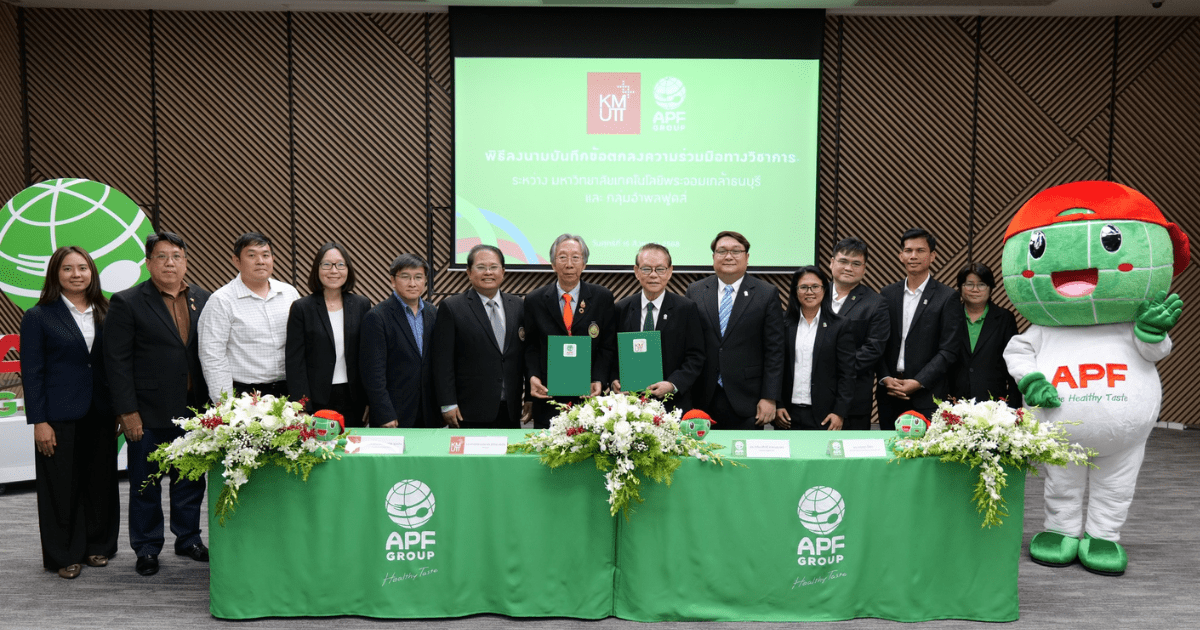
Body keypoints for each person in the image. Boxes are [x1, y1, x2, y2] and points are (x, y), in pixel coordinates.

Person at [105, 232, 211, 577]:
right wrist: (127, 411)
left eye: (177, 256)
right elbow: (116, 362)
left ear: (186, 261)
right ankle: (147, 547)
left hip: (194, 411)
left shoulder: (203, 298)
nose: (170, 263)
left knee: (190, 481)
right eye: (162, 256)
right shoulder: (127, 302)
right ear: (148, 263)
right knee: (145, 483)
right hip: (147, 412)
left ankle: (188, 538)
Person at [21, 246, 118, 579]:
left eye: (83, 268)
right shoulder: (39, 316)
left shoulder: (108, 310)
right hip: (58, 414)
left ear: (92, 272)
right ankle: (65, 554)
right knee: (60, 485)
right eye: (67, 269)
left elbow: (114, 364)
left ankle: (98, 545)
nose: (76, 274)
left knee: (101, 481)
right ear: (55, 274)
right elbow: (31, 372)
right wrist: (39, 421)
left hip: (102, 412)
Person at [685, 230, 786, 430]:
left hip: (748, 400)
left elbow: (775, 351)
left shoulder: (766, 294)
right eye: (722, 251)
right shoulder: (695, 291)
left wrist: (770, 397)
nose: (729, 256)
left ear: (747, 257)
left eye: (736, 251)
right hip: (703, 397)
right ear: (713, 257)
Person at [524, 234, 616, 429]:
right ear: (552, 263)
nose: (569, 264)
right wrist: (532, 377)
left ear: (584, 264)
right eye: (562, 257)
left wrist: (598, 378)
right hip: (548, 396)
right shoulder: (535, 300)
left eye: (576, 257)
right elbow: (530, 346)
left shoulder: (602, 298)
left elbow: (607, 346)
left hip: (589, 397)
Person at [431, 244, 525, 428]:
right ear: (469, 272)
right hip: (469, 410)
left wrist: (528, 397)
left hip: (510, 409)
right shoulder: (452, 307)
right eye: (481, 267)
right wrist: (447, 403)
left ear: (503, 271)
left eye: (493, 267)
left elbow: (525, 355)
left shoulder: (518, 305)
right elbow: (442, 362)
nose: (488, 272)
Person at [198, 232, 299, 402]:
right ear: (236, 261)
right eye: (252, 255)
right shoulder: (221, 300)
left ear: (273, 259)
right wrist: (225, 404)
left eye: (265, 255)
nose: (260, 261)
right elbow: (212, 356)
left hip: (288, 392)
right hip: (245, 396)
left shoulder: (289, 293)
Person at [877, 228, 962, 428]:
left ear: (932, 256)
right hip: (890, 393)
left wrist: (918, 382)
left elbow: (948, 350)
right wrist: (885, 378)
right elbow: (877, 342)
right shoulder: (887, 294)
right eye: (908, 250)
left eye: (920, 250)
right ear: (900, 255)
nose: (913, 256)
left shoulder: (947, 297)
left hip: (927, 395)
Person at [609, 243, 704, 412]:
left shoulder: (686, 309)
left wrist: (672, 384)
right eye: (646, 269)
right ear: (637, 271)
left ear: (669, 271)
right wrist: (614, 379)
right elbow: (611, 352)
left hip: (672, 404)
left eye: (660, 269)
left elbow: (695, 356)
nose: (653, 275)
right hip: (629, 405)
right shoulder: (621, 309)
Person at [286, 243, 371, 427]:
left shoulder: (361, 305)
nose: (334, 271)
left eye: (340, 265)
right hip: (316, 399)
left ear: (348, 269)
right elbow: (295, 362)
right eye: (327, 265)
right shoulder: (302, 308)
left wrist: (370, 400)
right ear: (317, 269)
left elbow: (368, 357)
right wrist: (301, 406)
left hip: (354, 398)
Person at [360, 253, 438, 428]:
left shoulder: (433, 313)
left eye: (418, 277)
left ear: (425, 281)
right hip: (394, 413)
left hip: (429, 411)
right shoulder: (377, 317)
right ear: (393, 281)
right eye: (405, 277)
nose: (412, 283)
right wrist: (384, 412)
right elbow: (373, 373)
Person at [776, 266, 855, 431]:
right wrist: (777, 404)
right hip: (787, 413)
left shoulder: (840, 325)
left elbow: (847, 373)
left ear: (824, 289)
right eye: (803, 287)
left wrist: (839, 412)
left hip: (826, 414)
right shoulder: (781, 323)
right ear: (795, 291)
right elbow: (773, 366)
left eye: (815, 287)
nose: (809, 292)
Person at [823, 237, 890, 430]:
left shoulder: (876, 303)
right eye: (843, 261)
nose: (848, 268)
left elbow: (873, 349)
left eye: (856, 264)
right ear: (831, 262)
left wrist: (828, 367)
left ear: (864, 268)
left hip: (853, 401)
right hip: (811, 396)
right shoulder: (815, 295)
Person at [950, 262, 1022, 407]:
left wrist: (1014, 405)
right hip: (954, 401)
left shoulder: (1004, 318)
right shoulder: (950, 316)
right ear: (960, 288)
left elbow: (1013, 359)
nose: (975, 290)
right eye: (969, 284)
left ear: (990, 288)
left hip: (994, 402)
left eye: (982, 284)